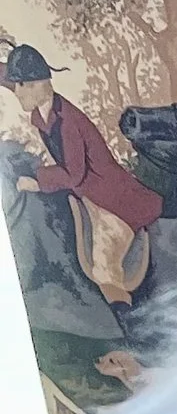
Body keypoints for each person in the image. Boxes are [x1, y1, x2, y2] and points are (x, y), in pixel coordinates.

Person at [2, 43, 157, 307]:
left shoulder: (68, 119)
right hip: (86, 194)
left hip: (111, 199)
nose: (16, 93)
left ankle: (131, 334)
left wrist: (38, 180)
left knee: (104, 267)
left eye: (20, 86)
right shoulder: (43, 111)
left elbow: (74, 175)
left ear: (36, 84)